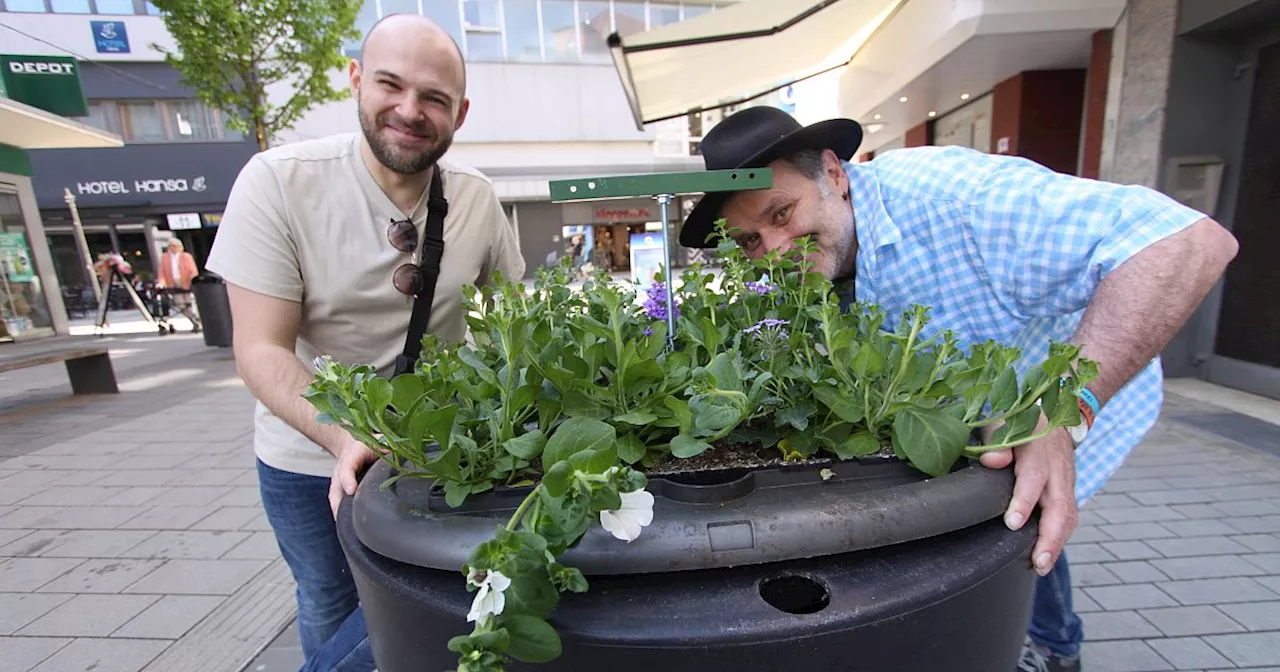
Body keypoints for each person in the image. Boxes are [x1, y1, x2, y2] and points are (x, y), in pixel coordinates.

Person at [678, 106, 1238, 672]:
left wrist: (1061, 411)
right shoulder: (808, 261)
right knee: (1014, 507)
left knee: (1028, 507)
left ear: (834, 173)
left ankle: (1054, 649)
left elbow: (1186, 243)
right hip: (961, 413)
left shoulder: (956, 197)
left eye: (783, 211)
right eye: (750, 240)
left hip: (1062, 390)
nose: (776, 250)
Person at [204, 13, 525, 672]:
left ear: (459, 114)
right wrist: (344, 430)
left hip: (436, 457)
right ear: (355, 80)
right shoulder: (276, 182)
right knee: (329, 602)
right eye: (390, 84)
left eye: (434, 98)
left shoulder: (478, 200)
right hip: (306, 456)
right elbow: (260, 349)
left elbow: (513, 327)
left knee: (415, 617)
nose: (411, 110)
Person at [156, 237, 203, 333]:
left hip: (185, 282)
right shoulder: (165, 257)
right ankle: (195, 320)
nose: (173, 248)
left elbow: (192, 270)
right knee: (180, 304)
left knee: (188, 304)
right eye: (172, 246)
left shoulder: (186, 256)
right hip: (172, 283)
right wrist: (161, 283)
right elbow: (162, 272)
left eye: (175, 246)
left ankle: (196, 322)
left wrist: (192, 281)